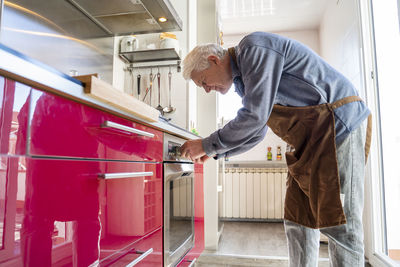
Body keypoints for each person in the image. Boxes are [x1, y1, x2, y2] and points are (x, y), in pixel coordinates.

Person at [180, 31, 372, 267]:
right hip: (309, 142)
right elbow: (258, 131)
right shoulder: (243, 81)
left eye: (203, 82)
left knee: (341, 225)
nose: (206, 89)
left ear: (213, 60)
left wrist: (207, 144)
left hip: (337, 127)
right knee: (298, 220)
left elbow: (255, 117)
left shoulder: (252, 48)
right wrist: (216, 151)